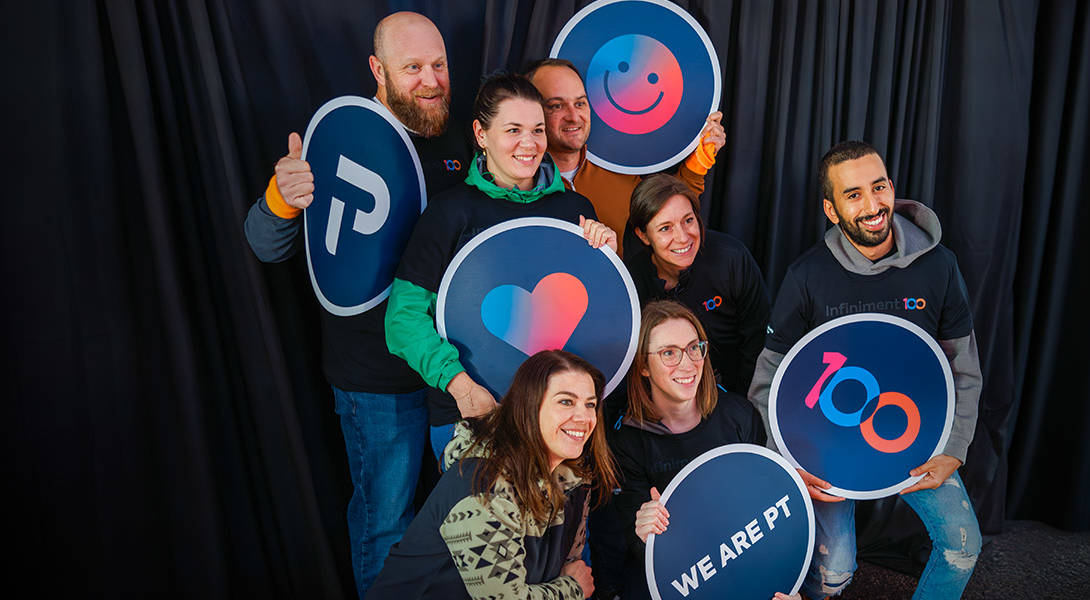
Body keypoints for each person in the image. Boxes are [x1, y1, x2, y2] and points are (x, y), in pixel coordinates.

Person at [242, 11, 470, 597]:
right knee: (384, 526)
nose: (430, 80)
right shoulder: (339, 139)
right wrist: (282, 197)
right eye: (412, 67)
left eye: (438, 65)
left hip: (456, 374)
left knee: (472, 529)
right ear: (378, 70)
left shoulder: (467, 136)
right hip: (375, 383)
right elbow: (265, 246)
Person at [748, 140, 983, 599]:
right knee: (834, 573)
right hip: (828, 446)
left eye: (878, 188)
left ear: (892, 187)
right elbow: (768, 379)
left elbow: (964, 366)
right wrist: (791, 459)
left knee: (963, 547)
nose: (872, 205)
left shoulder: (939, 266)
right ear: (831, 210)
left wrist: (955, 447)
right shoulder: (807, 276)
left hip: (914, 436)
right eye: (853, 194)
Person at [384, 73, 616, 464]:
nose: (529, 144)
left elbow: (602, 314)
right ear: (481, 134)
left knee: (567, 527)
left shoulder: (574, 211)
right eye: (513, 130)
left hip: (560, 422)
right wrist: (460, 387)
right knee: (492, 528)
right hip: (477, 417)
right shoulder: (451, 212)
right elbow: (402, 319)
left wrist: (608, 256)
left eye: (538, 130)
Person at [366, 350, 619, 599]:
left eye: (590, 404)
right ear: (528, 407)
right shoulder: (481, 486)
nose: (584, 417)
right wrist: (571, 590)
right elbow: (561, 584)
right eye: (566, 401)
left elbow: (570, 566)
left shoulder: (574, 480)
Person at [607, 301, 768, 599]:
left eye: (695, 347)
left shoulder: (738, 416)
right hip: (677, 577)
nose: (687, 363)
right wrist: (643, 531)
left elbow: (766, 503)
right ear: (642, 366)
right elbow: (630, 542)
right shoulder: (626, 442)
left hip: (742, 557)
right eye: (669, 353)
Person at [525, 58, 726, 256]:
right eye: (556, 106)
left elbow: (668, 212)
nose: (573, 116)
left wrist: (700, 159)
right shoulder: (521, 182)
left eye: (580, 103)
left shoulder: (620, 171)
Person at [626, 174, 770, 397]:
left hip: (734, 393)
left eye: (688, 220)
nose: (683, 237)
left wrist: (745, 406)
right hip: (661, 401)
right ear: (643, 236)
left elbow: (759, 341)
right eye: (665, 228)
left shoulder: (731, 258)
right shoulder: (631, 280)